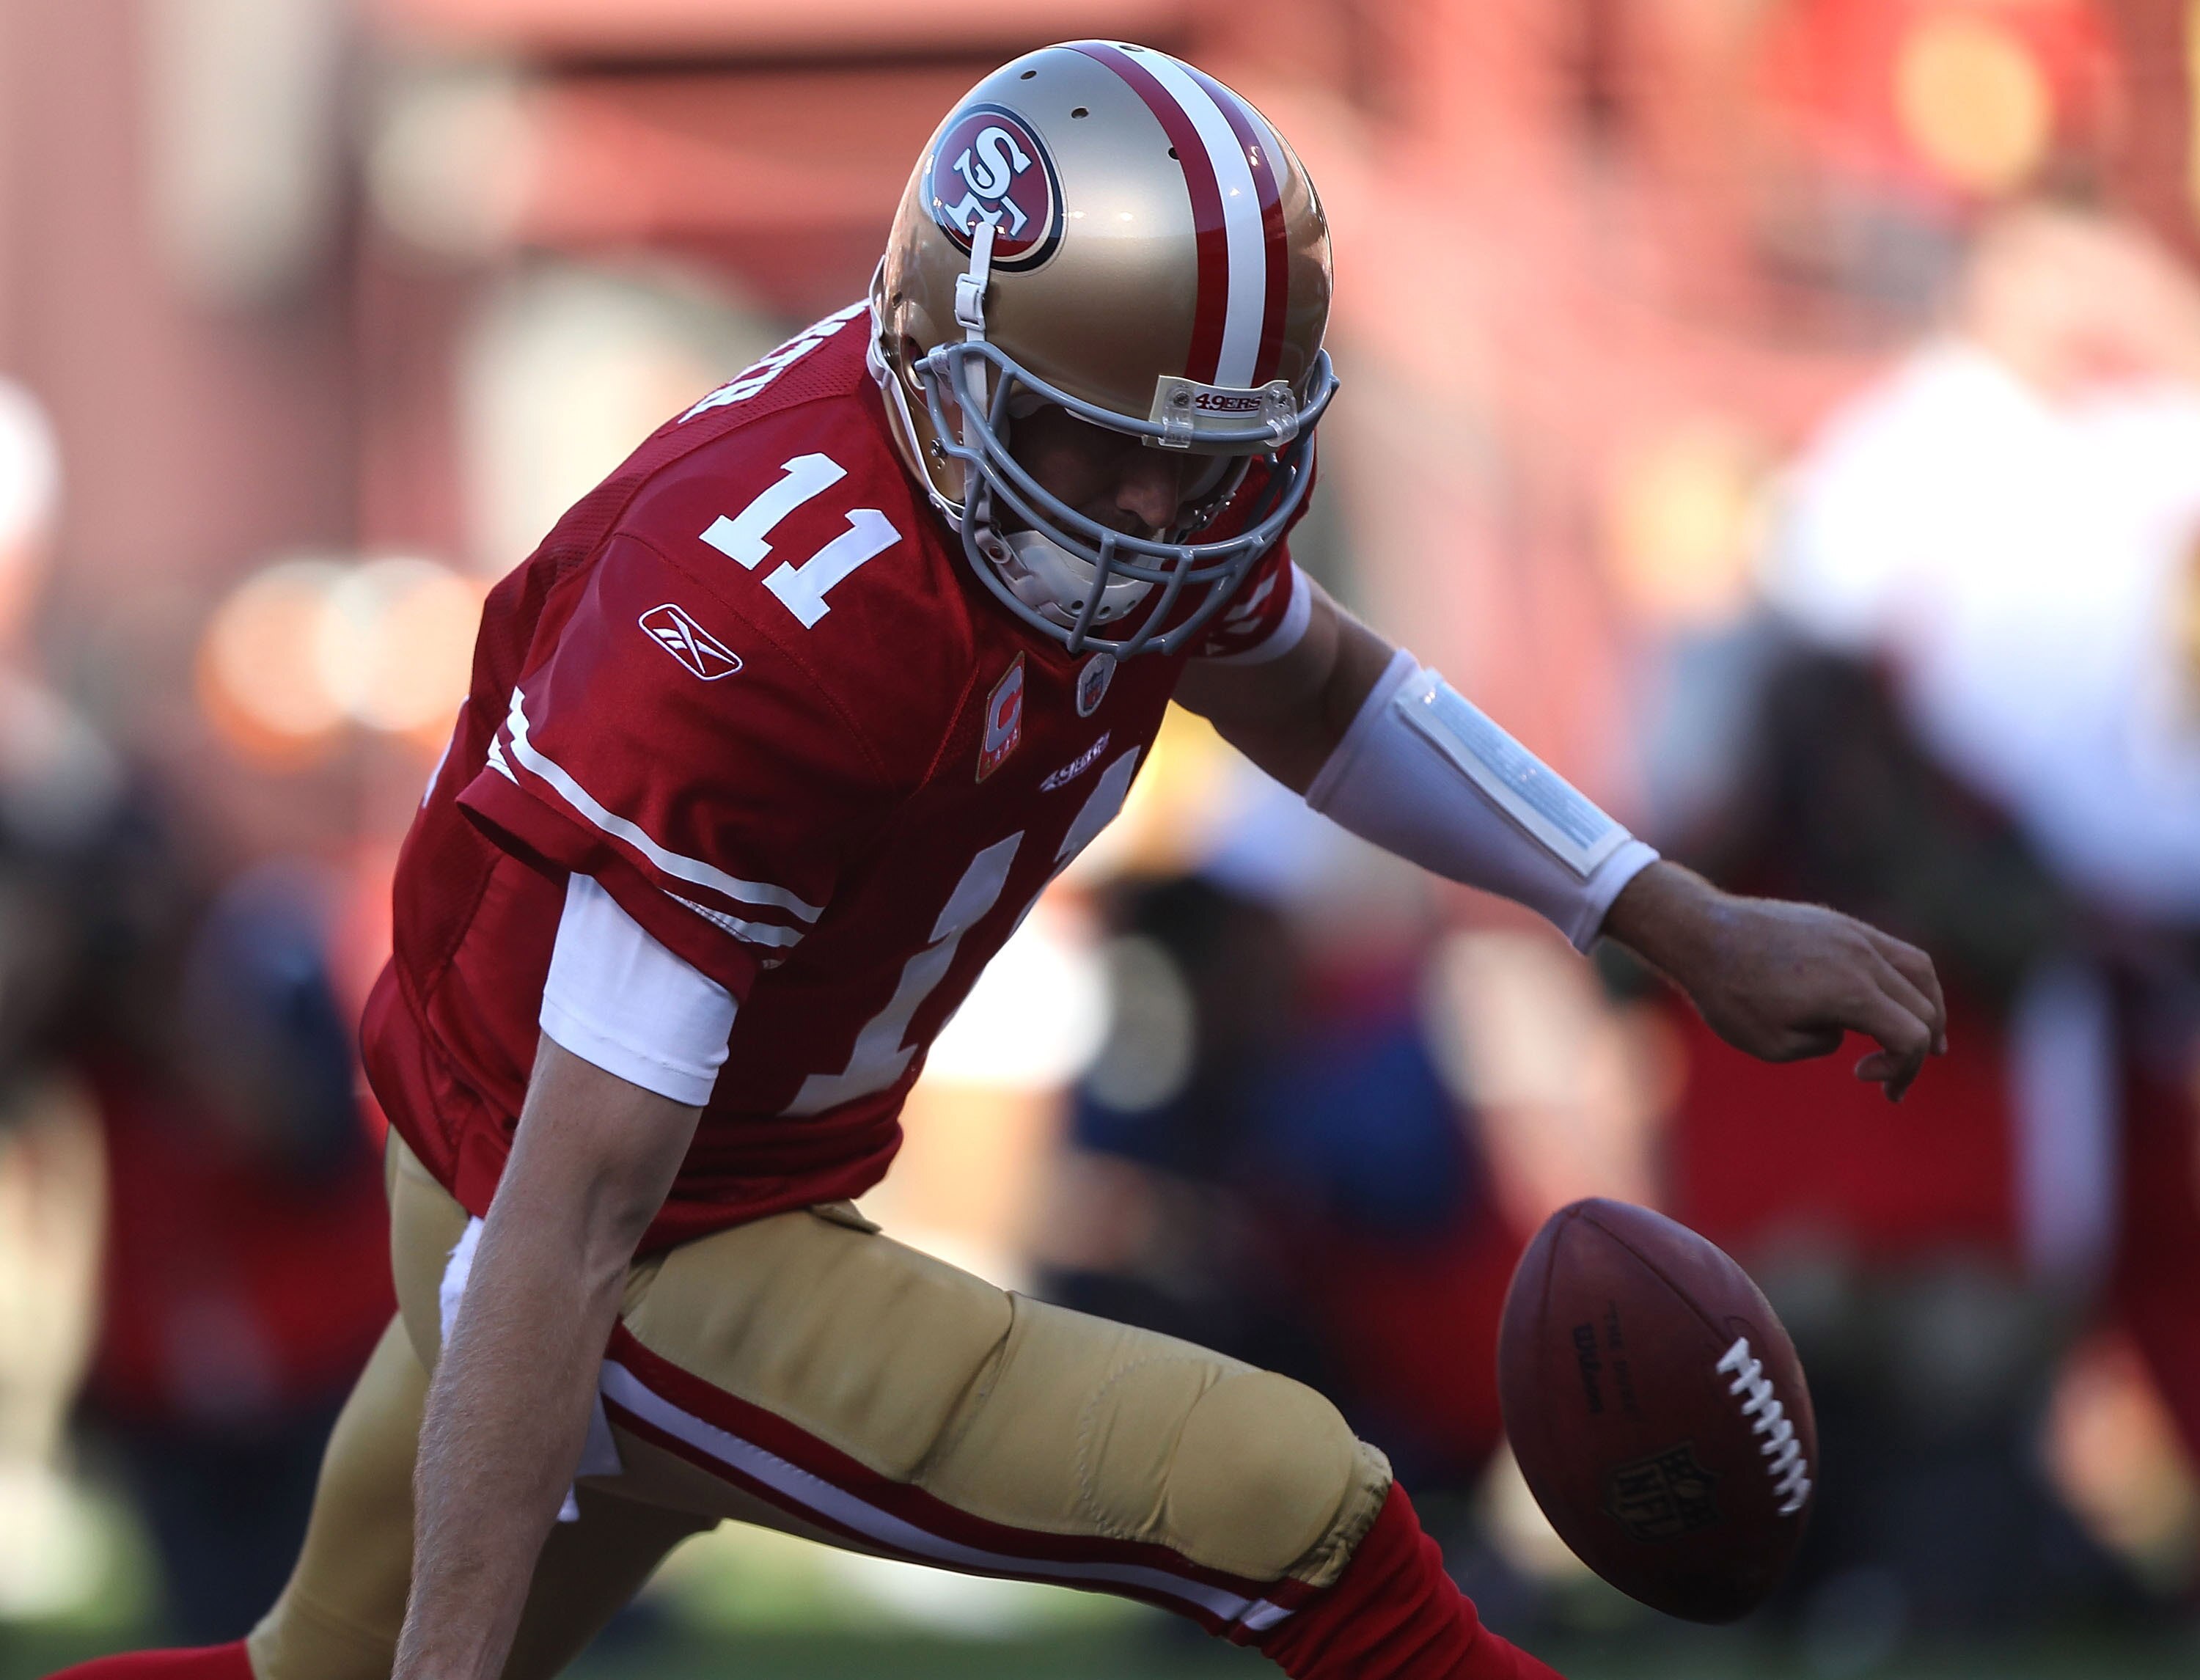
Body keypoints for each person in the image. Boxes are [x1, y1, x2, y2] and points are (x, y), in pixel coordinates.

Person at [51, 43, 1945, 1680]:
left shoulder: (1093, 486)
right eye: (1089, 446)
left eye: (1199, 461)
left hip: (711, 1189)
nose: (1147, 515)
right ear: (951, 364)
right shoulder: (775, 624)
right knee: (1284, 1496)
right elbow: (571, 1217)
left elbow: (1314, 686)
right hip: (606, 1228)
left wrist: (1677, 919)